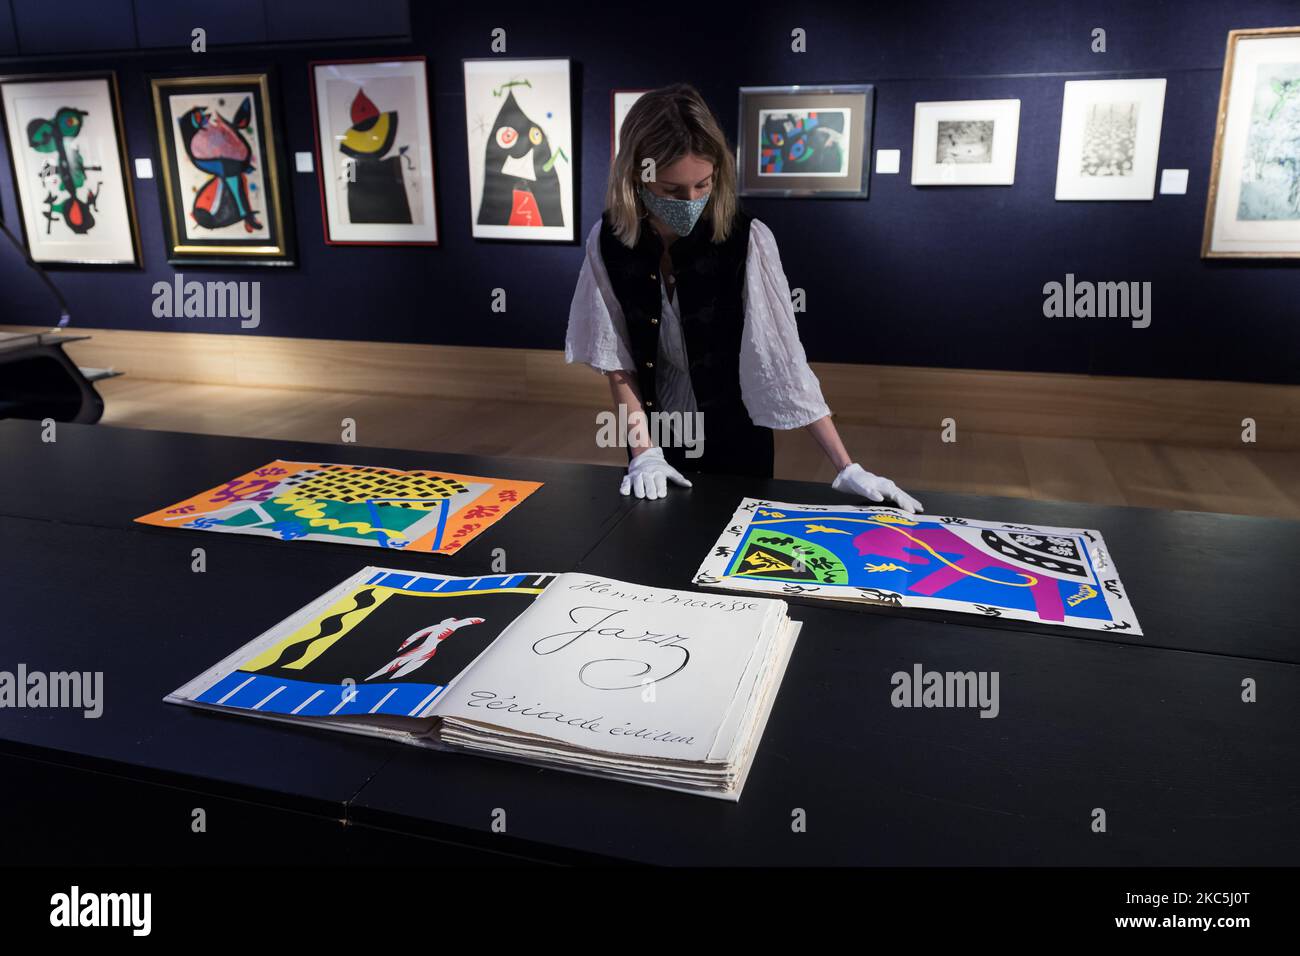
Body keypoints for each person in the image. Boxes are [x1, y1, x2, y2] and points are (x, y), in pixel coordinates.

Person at [564, 83, 922, 512]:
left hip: (736, 438)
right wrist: (643, 453)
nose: (692, 201)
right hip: (658, 436)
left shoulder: (745, 240)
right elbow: (617, 362)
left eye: (704, 185)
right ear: (636, 178)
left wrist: (846, 467)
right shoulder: (608, 242)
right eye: (672, 191)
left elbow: (783, 361)